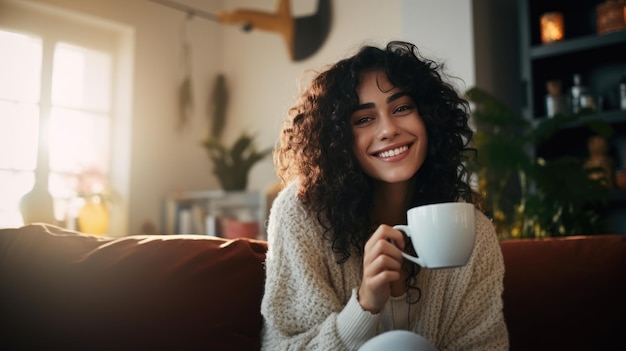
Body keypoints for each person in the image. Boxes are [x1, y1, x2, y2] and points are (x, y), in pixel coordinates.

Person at [261, 41, 508, 350]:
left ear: (430, 119)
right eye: (363, 119)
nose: (388, 129)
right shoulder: (302, 214)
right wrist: (364, 306)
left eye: (402, 108)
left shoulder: (473, 234)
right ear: (338, 140)